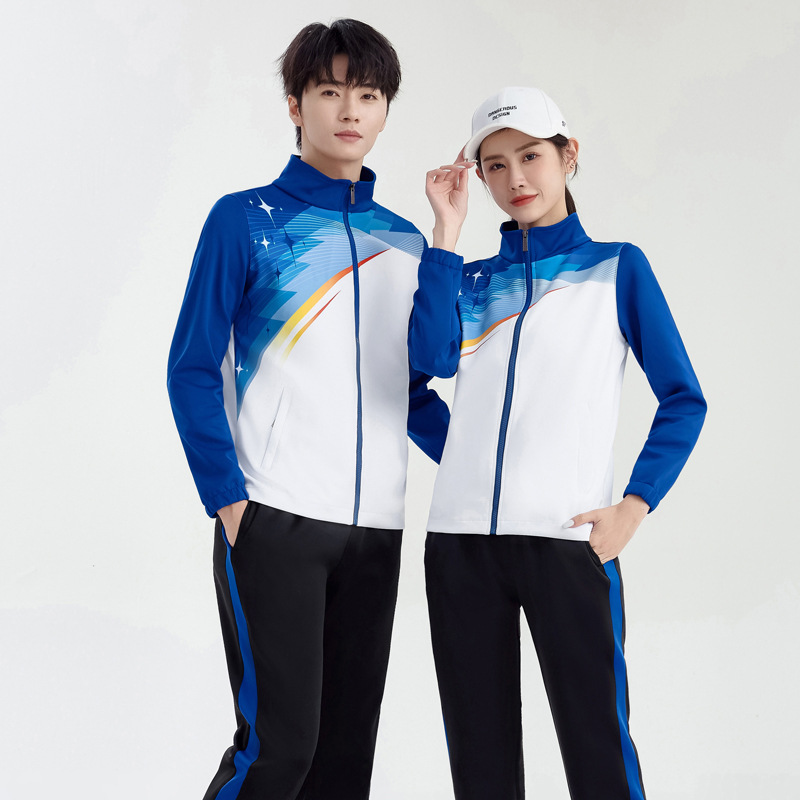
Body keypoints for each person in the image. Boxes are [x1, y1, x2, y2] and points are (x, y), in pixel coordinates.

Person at [167, 19, 448, 800]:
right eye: (330, 91)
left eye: (369, 94)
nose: (349, 110)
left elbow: (414, 387)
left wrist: (486, 470)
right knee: (277, 751)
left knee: (342, 763)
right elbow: (191, 366)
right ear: (296, 105)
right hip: (274, 517)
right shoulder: (246, 220)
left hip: (375, 531)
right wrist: (229, 501)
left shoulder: (406, 243)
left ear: (385, 109)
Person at [408, 86, 706, 800]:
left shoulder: (617, 268)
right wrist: (445, 236)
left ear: (568, 156)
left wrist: (634, 506)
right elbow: (421, 371)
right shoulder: (466, 280)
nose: (516, 178)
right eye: (495, 165)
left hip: (568, 539)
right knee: (479, 759)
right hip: (460, 547)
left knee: (597, 747)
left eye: (531, 156)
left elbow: (683, 399)